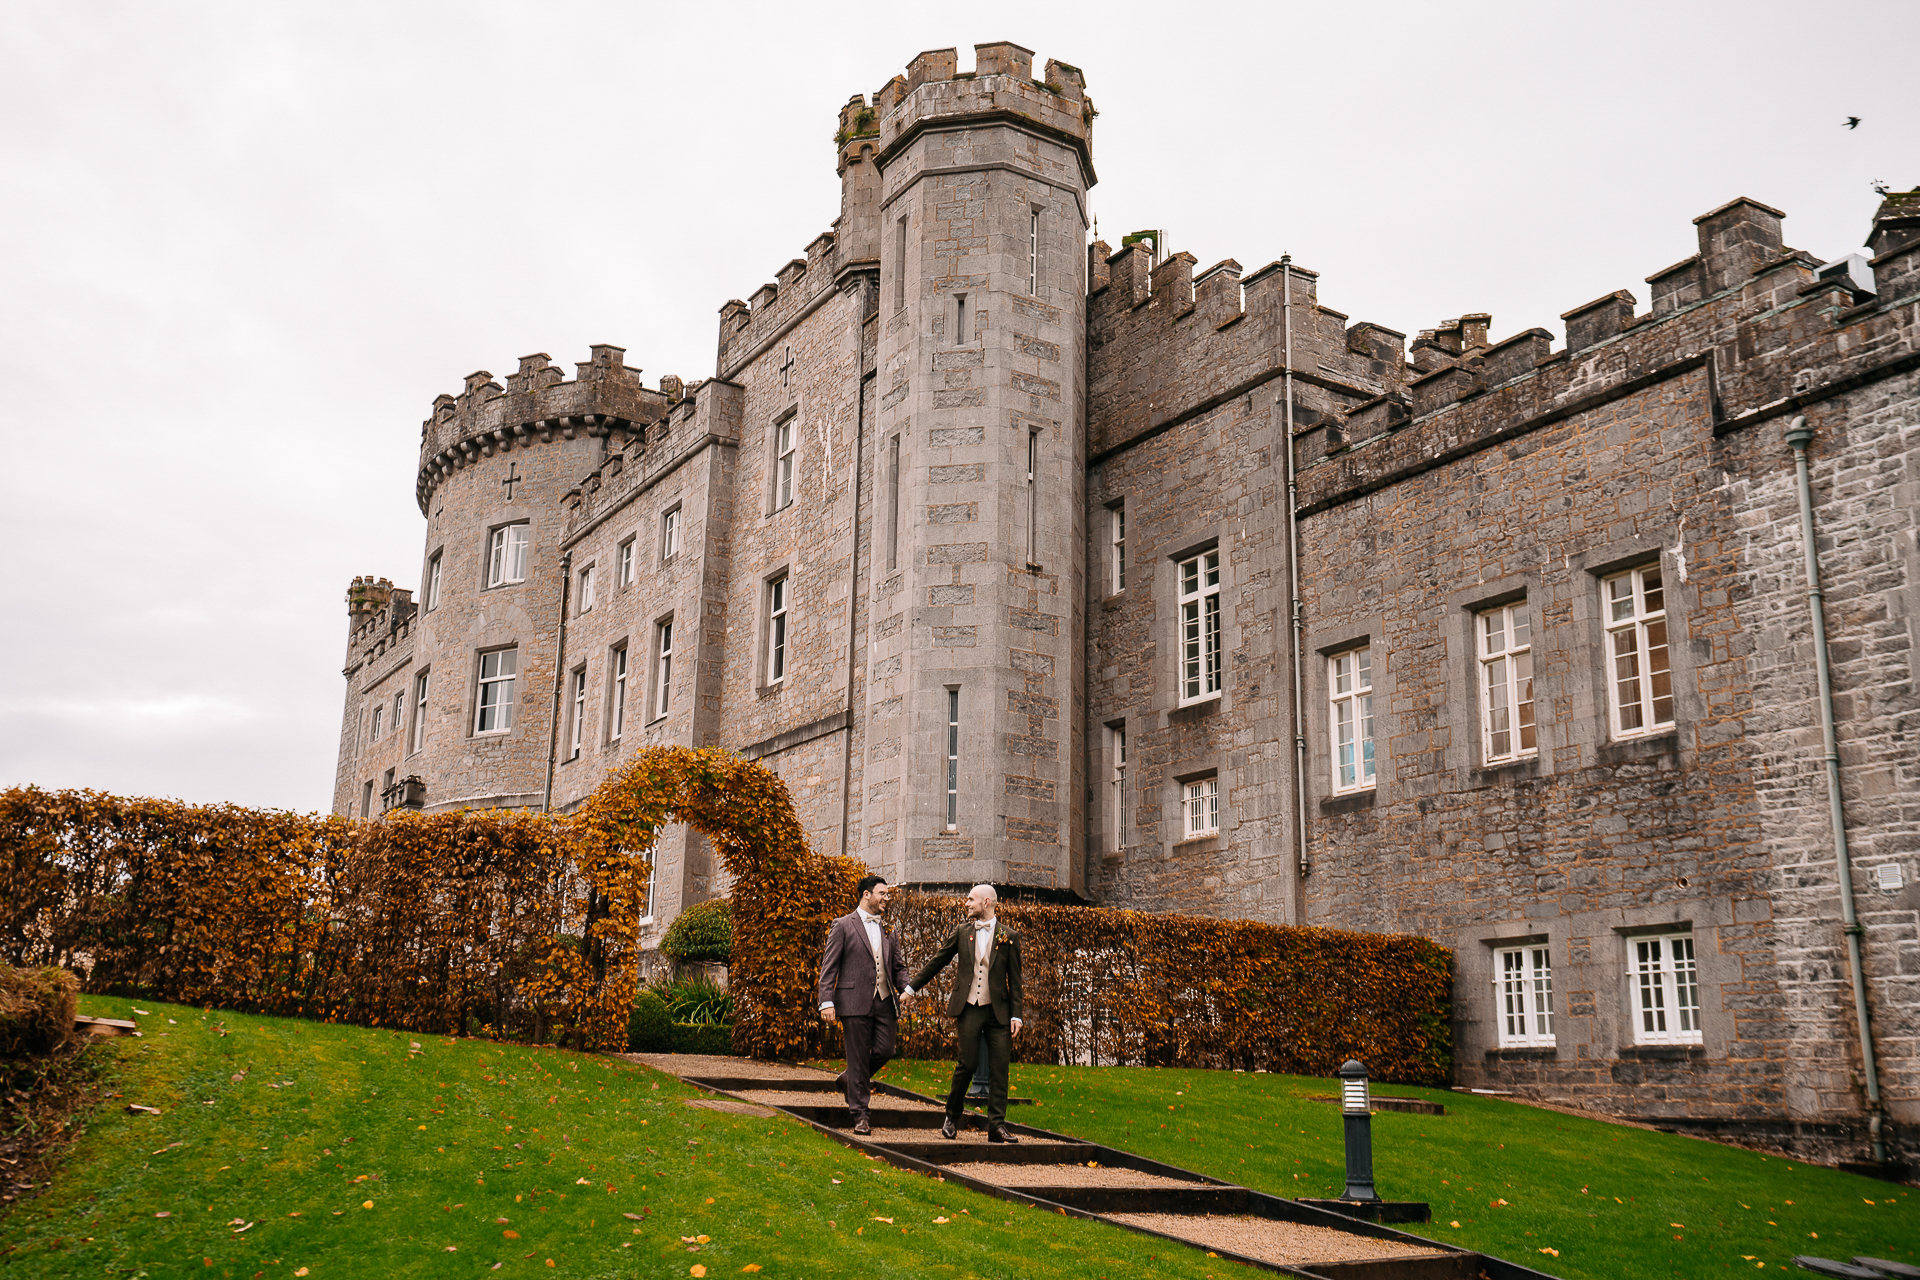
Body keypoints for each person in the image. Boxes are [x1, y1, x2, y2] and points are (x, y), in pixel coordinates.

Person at [903, 883, 1024, 1143]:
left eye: (971, 899)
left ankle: (997, 1125)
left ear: (987, 903)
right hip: (969, 1008)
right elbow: (938, 960)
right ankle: (951, 1116)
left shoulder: (1009, 936)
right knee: (966, 1064)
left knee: (1000, 1068)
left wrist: (1017, 1015)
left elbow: (1015, 980)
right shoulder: (962, 932)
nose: (967, 904)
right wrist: (911, 988)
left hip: (999, 1012)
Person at [817, 873, 909, 1136]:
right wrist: (826, 1001)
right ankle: (860, 1115)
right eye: (882, 893)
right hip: (853, 1001)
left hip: (884, 1001)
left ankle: (849, 1078)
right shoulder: (843, 925)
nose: (886, 898)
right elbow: (829, 967)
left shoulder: (889, 928)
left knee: (886, 1049)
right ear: (866, 894)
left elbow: (898, 966)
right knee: (857, 1056)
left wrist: (907, 988)